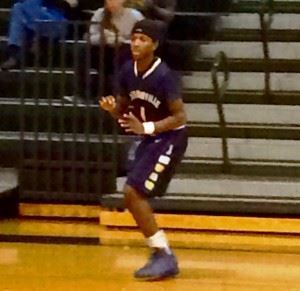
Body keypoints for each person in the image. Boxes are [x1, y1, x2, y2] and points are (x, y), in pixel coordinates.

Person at [99, 19, 188, 280]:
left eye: (143, 39)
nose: (136, 43)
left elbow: (180, 116)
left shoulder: (165, 75)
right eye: (134, 38)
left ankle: (163, 254)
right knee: (133, 195)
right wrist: (112, 109)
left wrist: (147, 127)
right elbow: (124, 110)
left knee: (132, 192)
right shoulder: (128, 70)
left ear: (155, 45)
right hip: (150, 137)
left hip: (170, 137)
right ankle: (160, 253)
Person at [64, 0, 144, 103]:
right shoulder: (99, 13)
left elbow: (142, 38)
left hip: (125, 52)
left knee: (122, 55)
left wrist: (120, 40)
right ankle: (81, 95)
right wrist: (103, 38)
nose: (112, 3)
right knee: (83, 52)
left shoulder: (135, 16)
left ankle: (117, 96)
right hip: (103, 50)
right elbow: (90, 37)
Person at [1, 0, 82, 71]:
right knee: (18, 7)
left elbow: (74, 4)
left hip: (58, 23)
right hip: (37, 20)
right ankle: (19, 52)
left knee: (22, 7)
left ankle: (16, 55)